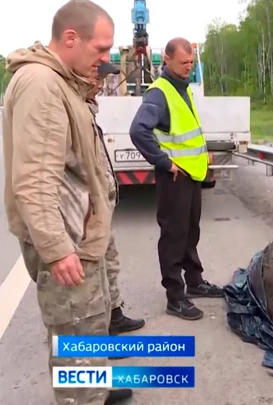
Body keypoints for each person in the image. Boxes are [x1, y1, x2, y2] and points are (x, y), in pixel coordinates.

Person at [1, 1, 131, 403]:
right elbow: (35, 179)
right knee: (75, 333)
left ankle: (97, 390)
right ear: (71, 38)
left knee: (90, 327)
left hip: (82, 234)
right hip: (68, 241)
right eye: (101, 50)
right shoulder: (42, 84)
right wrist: (57, 250)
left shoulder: (63, 82)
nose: (106, 60)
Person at [129, 37, 224, 321]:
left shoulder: (182, 89)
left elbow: (187, 130)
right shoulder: (160, 93)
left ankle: (194, 282)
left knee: (190, 231)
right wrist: (162, 162)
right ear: (166, 60)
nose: (188, 68)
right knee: (174, 235)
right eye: (184, 63)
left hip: (191, 174)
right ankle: (175, 296)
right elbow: (138, 131)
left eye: (191, 63)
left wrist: (204, 153)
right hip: (174, 178)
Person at [87, 62, 146, 339]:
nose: (100, 84)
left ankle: (113, 316)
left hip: (99, 210)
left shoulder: (86, 109)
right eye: (96, 77)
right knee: (89, 285)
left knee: (108, 263)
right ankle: (96, 346)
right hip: (84, 217)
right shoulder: (66, 108)